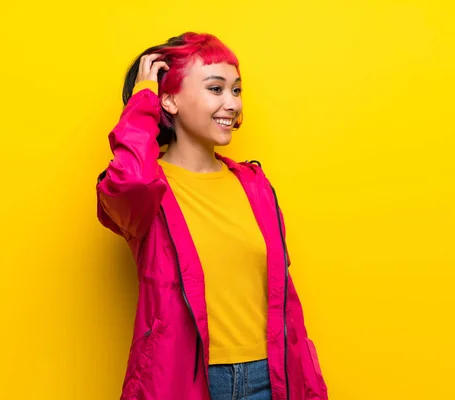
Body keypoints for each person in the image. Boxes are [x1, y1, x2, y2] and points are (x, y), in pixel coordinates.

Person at [96, 32, 328, 400]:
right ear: (168, 99)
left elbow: (287, 304)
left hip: (270, 380)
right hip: (184, 383)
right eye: (215, 88)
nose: (231, 103)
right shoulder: (150, 190)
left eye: (236, 90)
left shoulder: (255, 186)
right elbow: (127, 182)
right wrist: (143, 103)